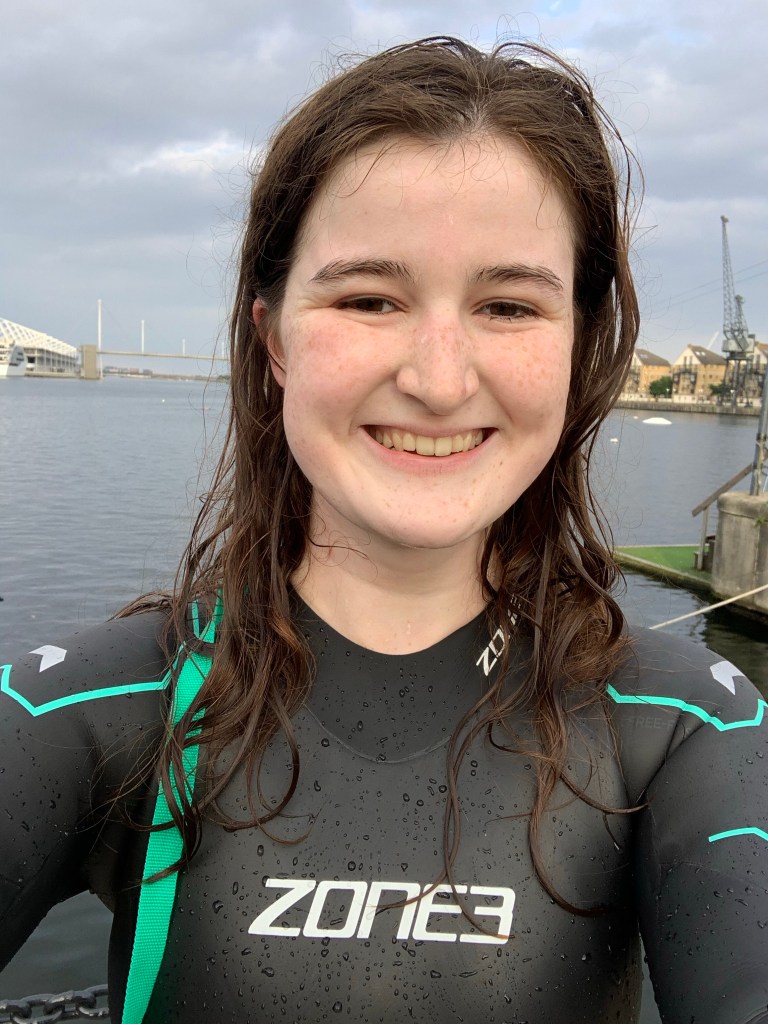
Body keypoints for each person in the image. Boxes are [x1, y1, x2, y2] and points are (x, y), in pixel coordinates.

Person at [1, 36, 767, 1024]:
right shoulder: (102, 709)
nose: (439, 381)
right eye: (369, 298)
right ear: (273, 339)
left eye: (507, 305)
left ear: (580, 346)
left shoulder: (685, 728)